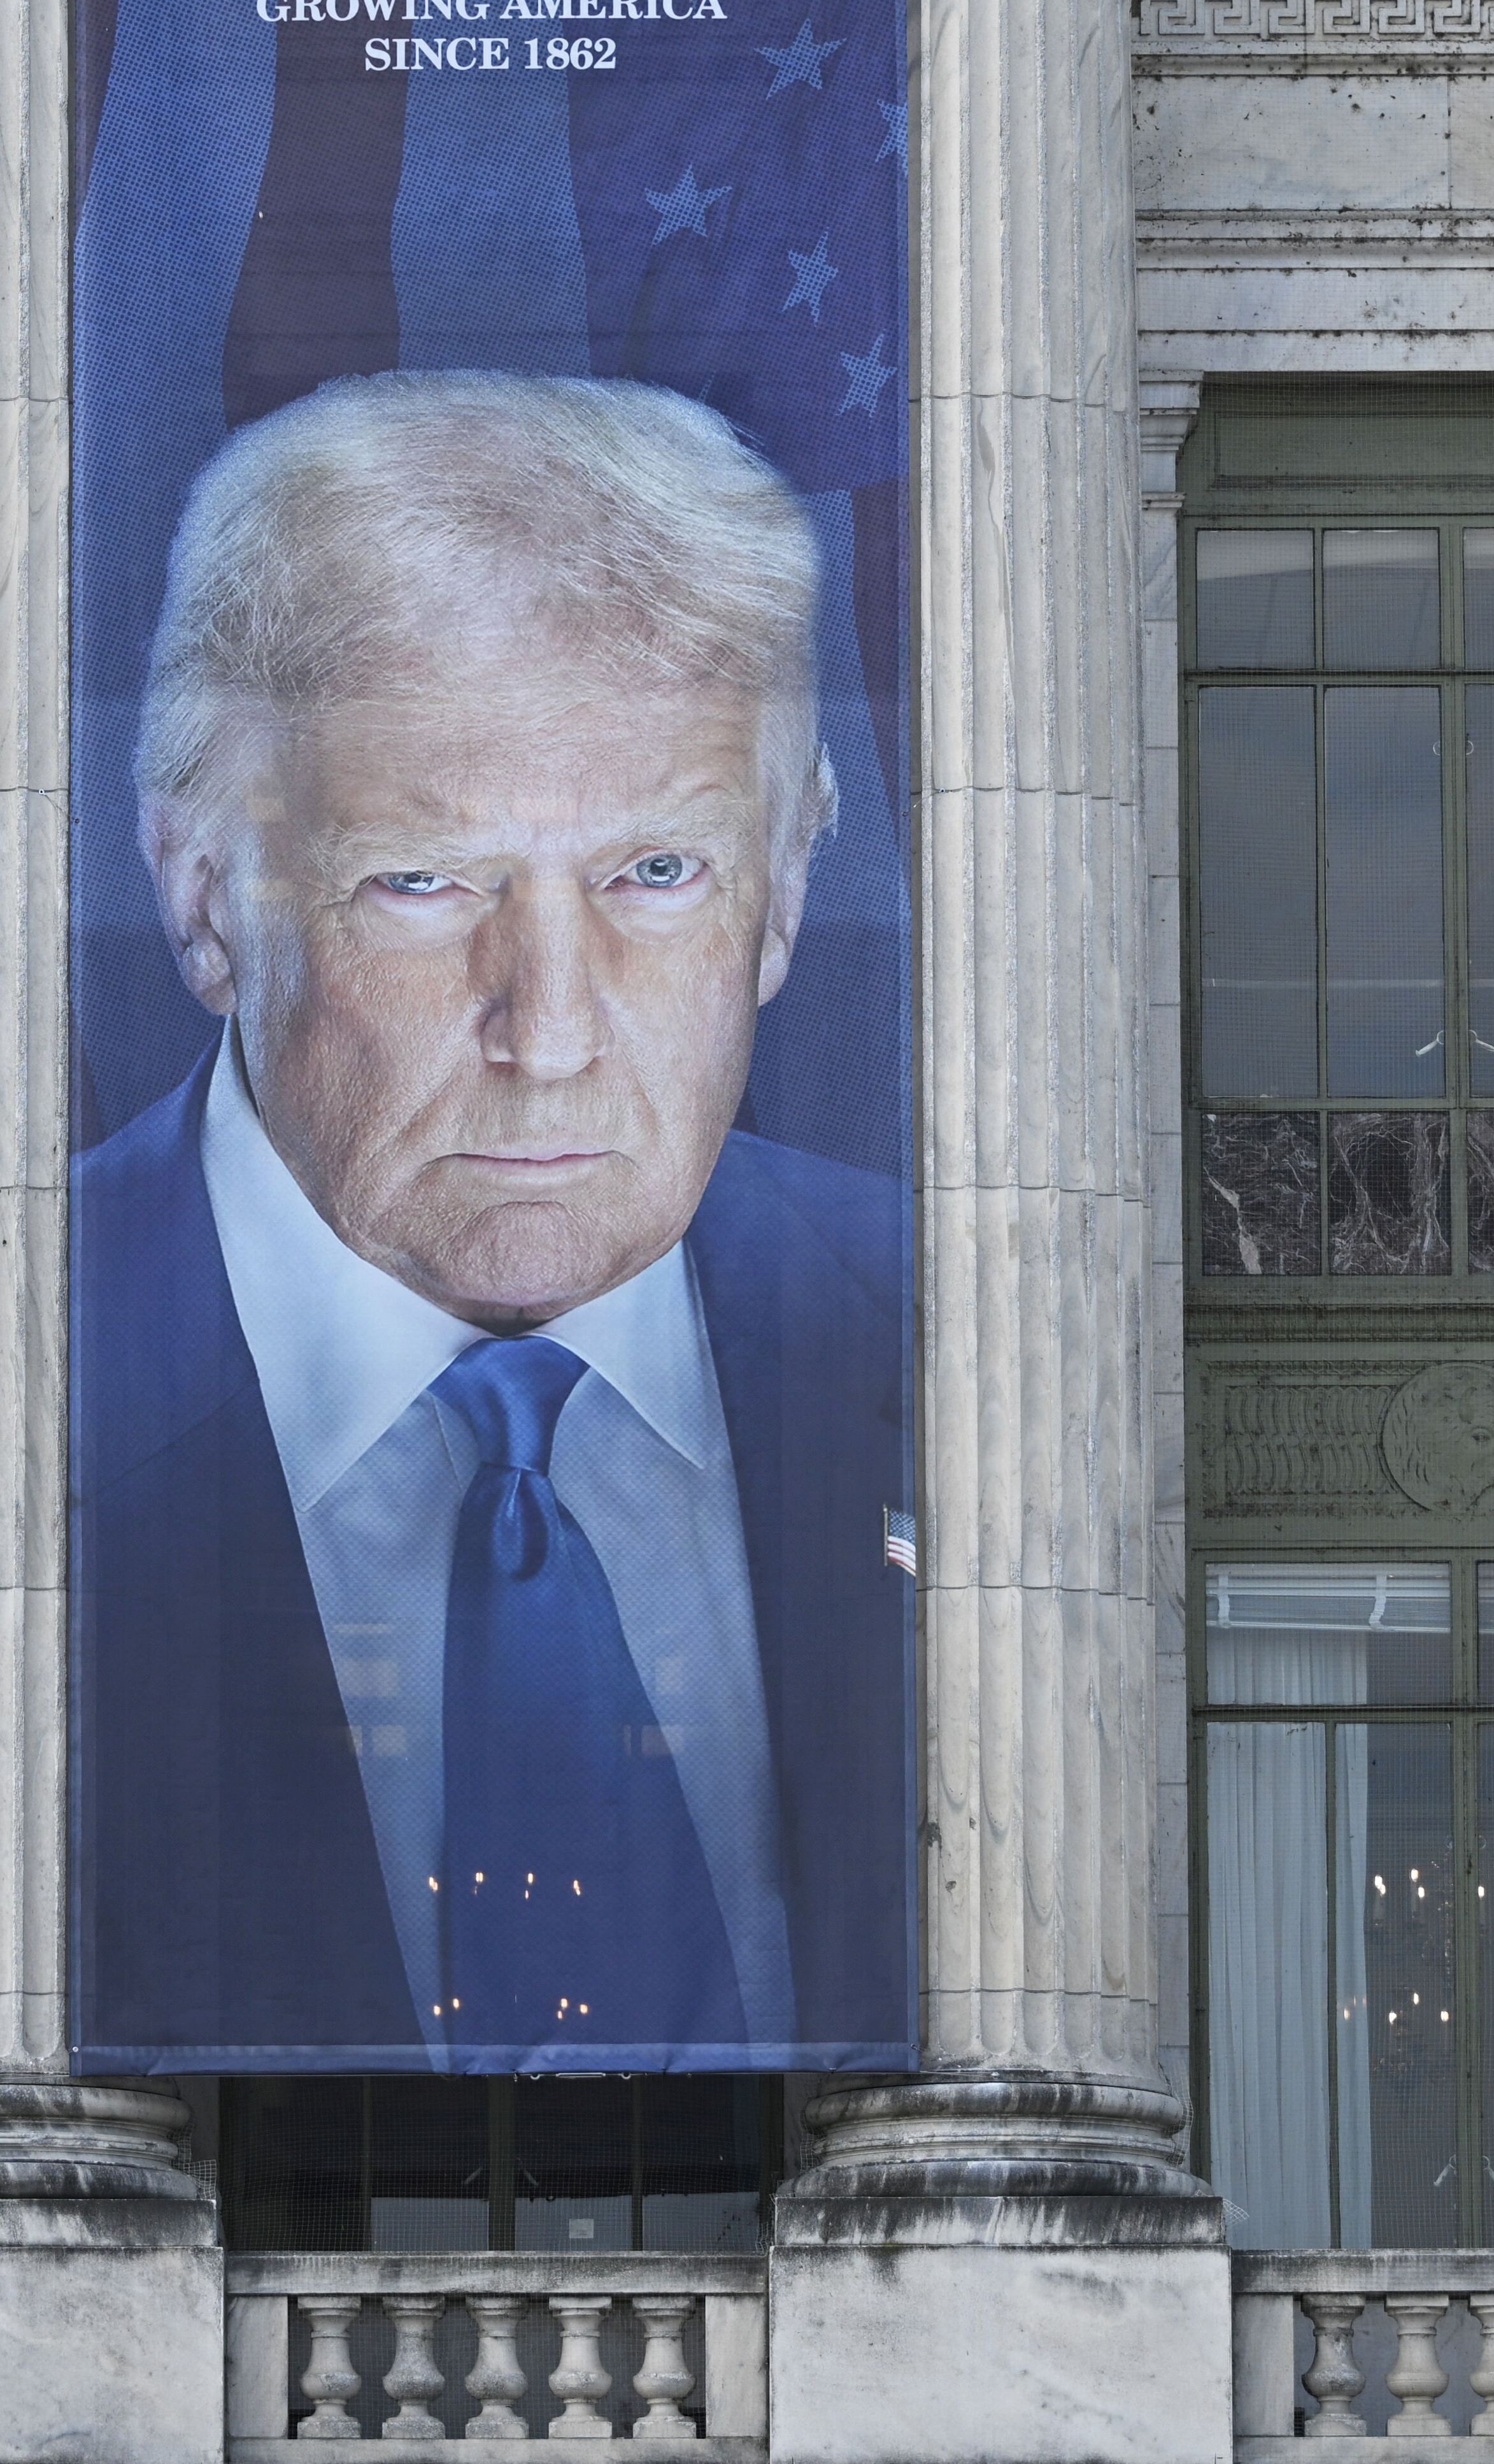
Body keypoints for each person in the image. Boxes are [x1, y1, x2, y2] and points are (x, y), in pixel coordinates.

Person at [71, 368, 913, 2075]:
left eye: (656, 873)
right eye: (425, 880)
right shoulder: (3, 1344)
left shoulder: (938, 1321)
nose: (552, 1031)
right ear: (201, 893)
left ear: (785, 894)